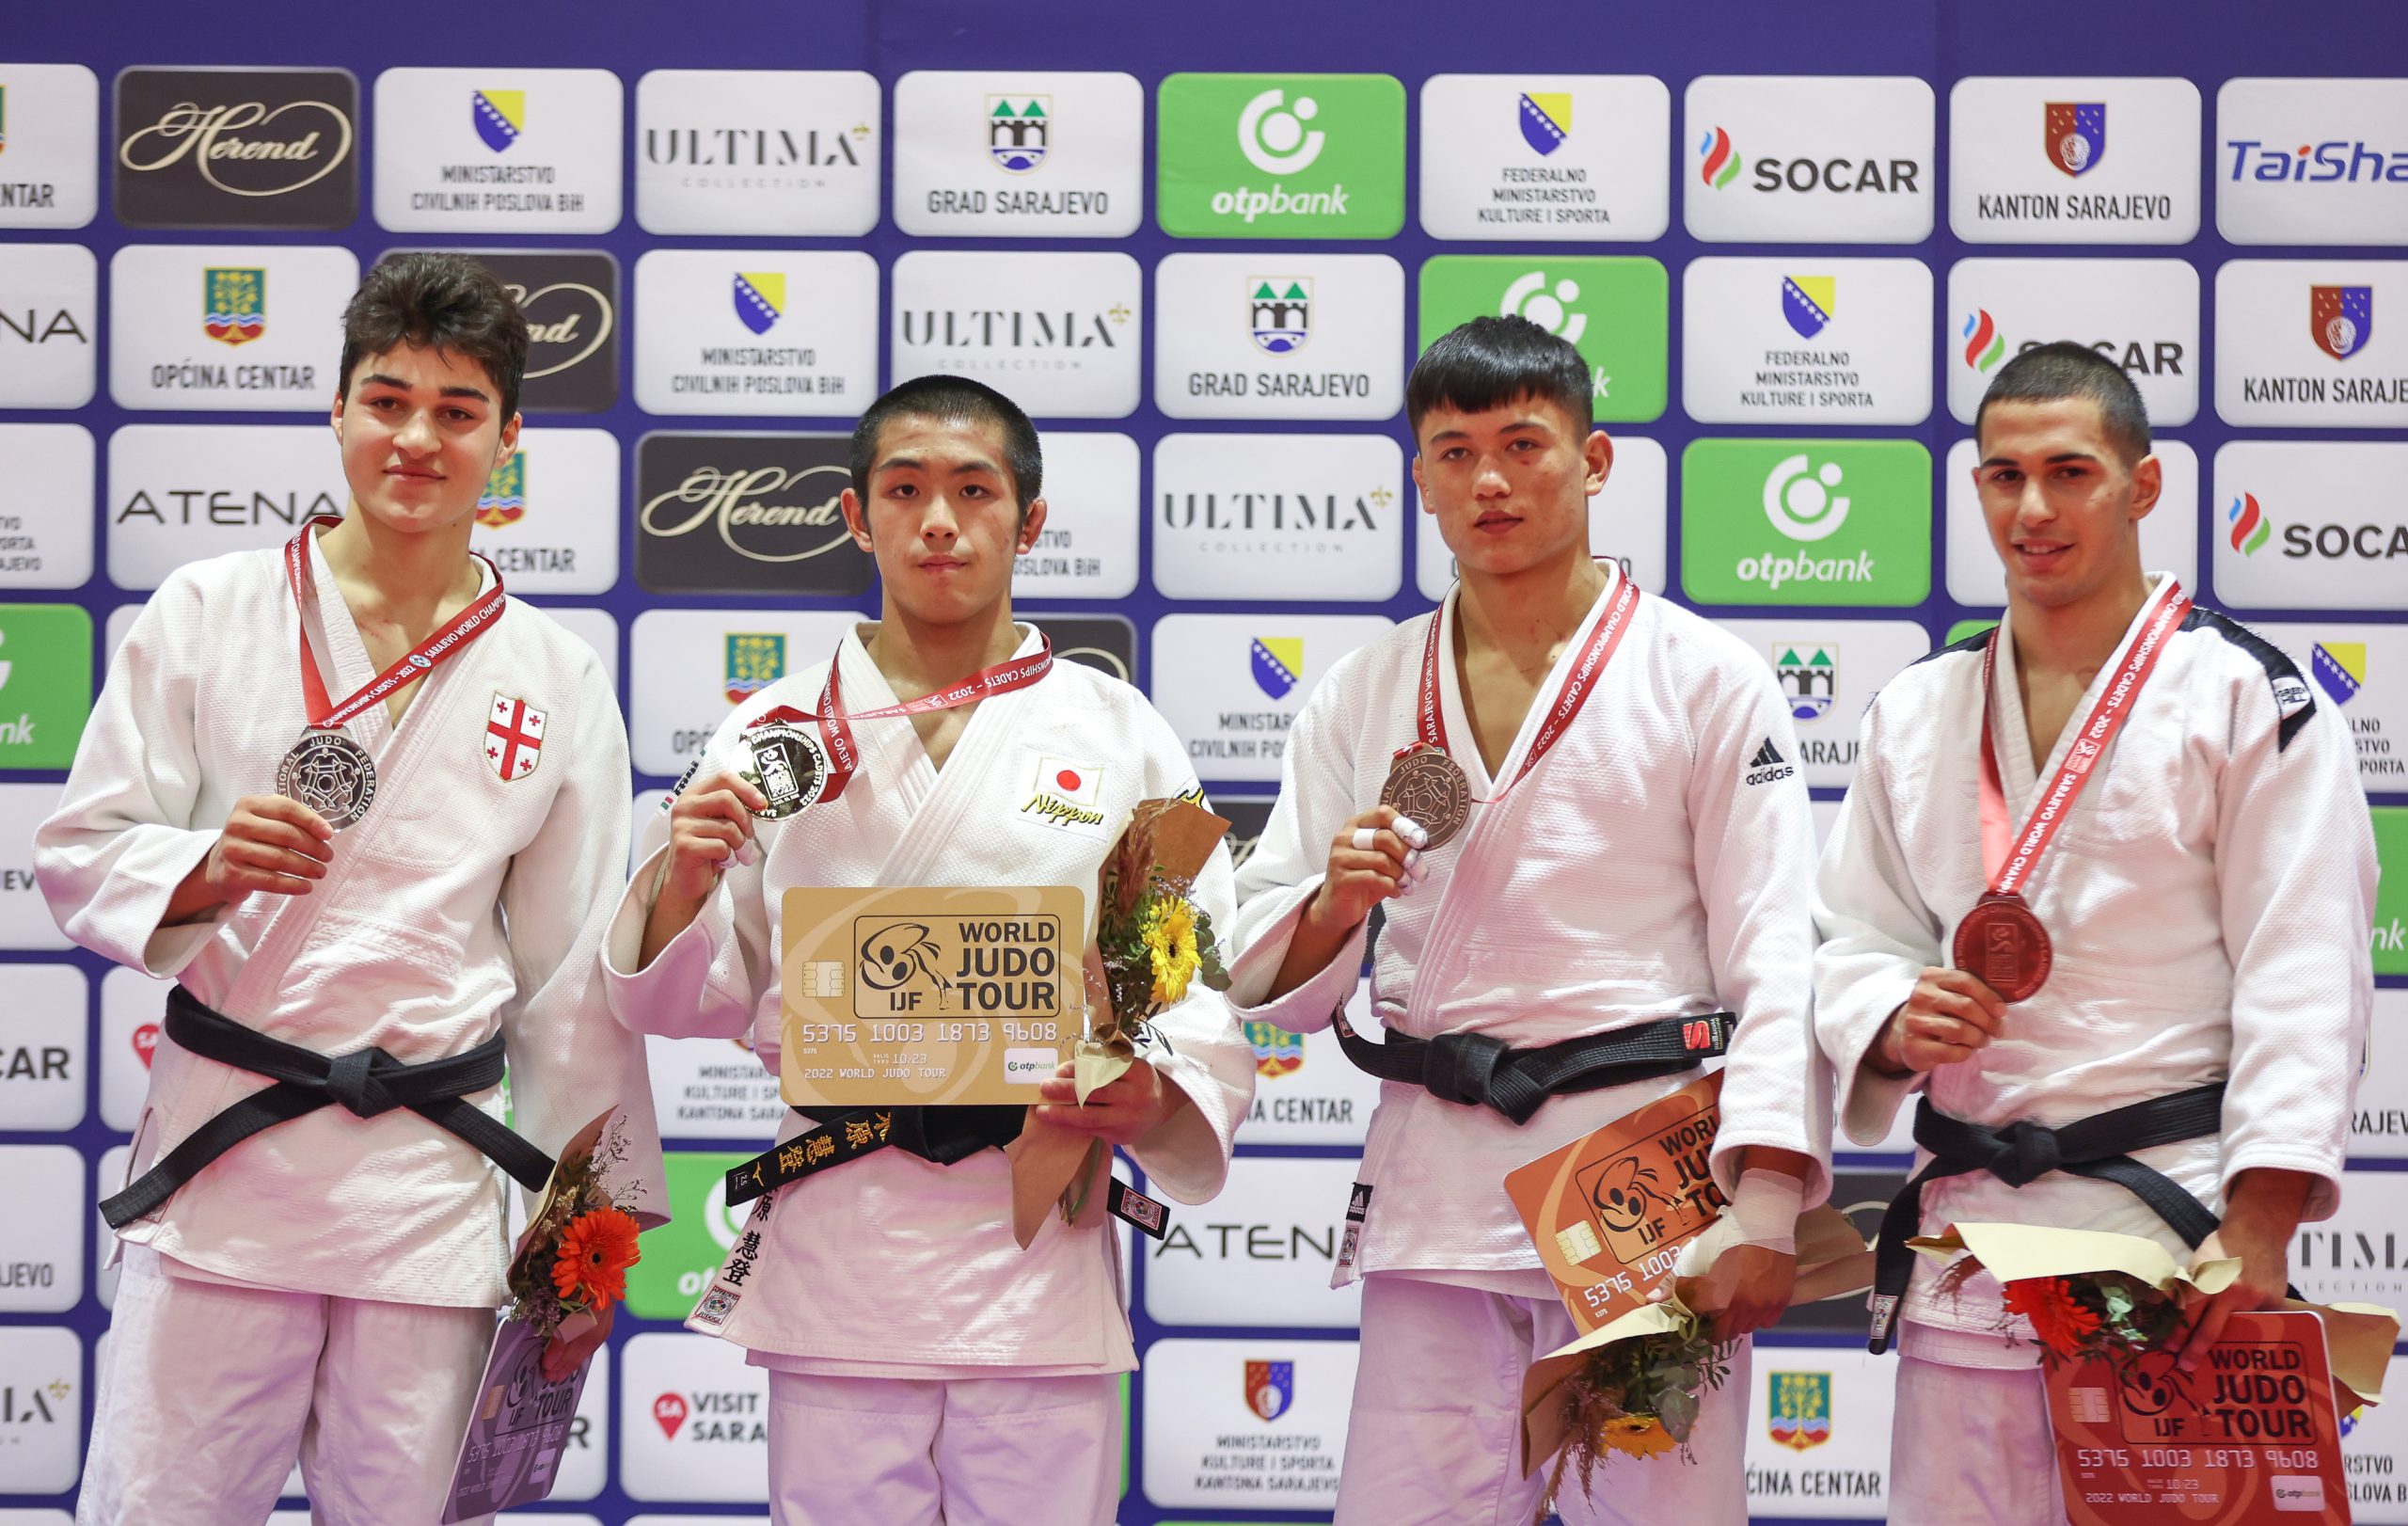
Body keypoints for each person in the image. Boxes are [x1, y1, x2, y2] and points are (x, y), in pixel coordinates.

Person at [38, 252, 660, 1526]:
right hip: (227, 1170)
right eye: (387, 400)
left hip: (426, 1195)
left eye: (457, 410)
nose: (417, 438)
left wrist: (585, 1232)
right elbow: (81, 847)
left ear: (508, 439)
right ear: (336, 409)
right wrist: (203, 867)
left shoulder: (555, 674)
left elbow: (568, 981)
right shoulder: (208, 612)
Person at [603, 374, 1256, 1526]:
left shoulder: (1117, 731)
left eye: (973, 490)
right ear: (856, 517)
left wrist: (1152, 1088)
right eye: (904, 490)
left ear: (1030, 519)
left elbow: (1187, 968)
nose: (938, 521)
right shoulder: (772, 732)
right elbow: (680, 998)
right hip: (844, 1229)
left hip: (1034, 1229)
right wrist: (682, 880)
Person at [1224, 316, 1831, 1526]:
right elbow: (1264, 976)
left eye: (1520, 445)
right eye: (1454, 453)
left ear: (1592, 460)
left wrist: (1765, 1202)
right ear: (1419, 478)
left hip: (1645, 1189)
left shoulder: (1705, 676)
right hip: (1441, 1181)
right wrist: (1335, 901)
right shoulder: (1364, 688)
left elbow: (1774, 951)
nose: (1487, 482)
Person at [1814, 342, 2377, 1525]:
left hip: (2170, 1238)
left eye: (2068, 472)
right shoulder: (1916, 707)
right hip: (1968, 1241)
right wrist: (1889, 1013)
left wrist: (2259, 1224)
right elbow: (1849, 930)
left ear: (2141, 484)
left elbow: (2303, 971)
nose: (2032, 507)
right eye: (2002, 475)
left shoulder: (2244, 698)